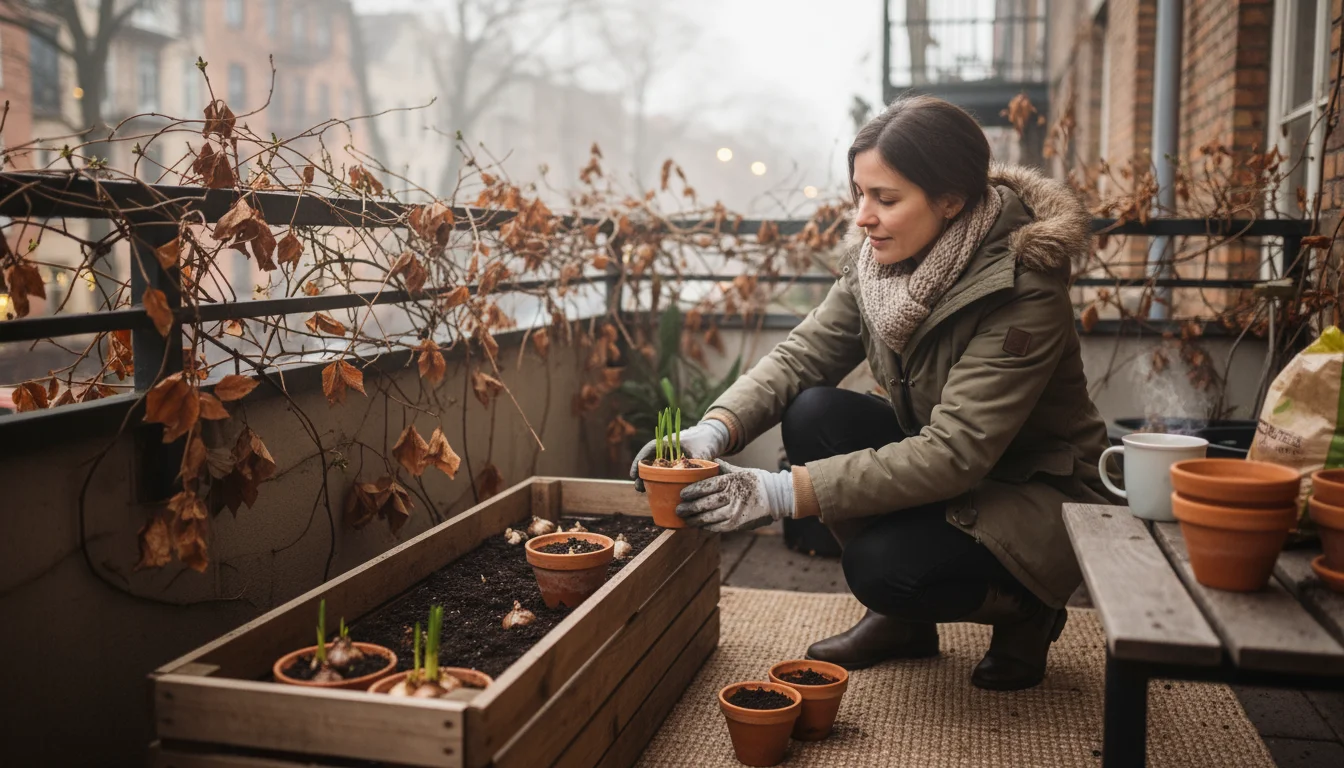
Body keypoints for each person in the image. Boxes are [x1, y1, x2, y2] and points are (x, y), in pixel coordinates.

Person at [629, 95, 1114, 691]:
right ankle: (904, 626)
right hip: (957, 473)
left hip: (1036, 490)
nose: (862, 216)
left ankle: (1029, 611)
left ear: (951, 202)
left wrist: (779, 493)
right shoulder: (880, 265)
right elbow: (801, 357)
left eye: (886, 199)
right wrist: (714, 428)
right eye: (859, 193)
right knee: (814, 410)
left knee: (882, 569)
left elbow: (955, 452)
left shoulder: (1024, 288)